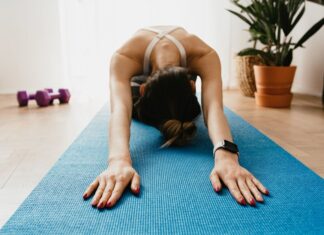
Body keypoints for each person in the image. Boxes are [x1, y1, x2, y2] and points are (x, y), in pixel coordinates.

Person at [83, 25, 270, 209]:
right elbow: (120, 110)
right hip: (138, 81)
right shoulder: (124, 57)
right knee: (131, 102)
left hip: (164, 81)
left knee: (174, 109)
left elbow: (213, 107)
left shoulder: (204, 55)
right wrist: (118, 160)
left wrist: (227, 156)